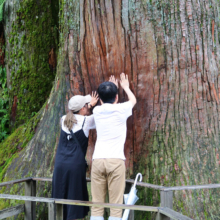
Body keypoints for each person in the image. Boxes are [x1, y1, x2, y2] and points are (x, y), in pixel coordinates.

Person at [90, 73, 137, 220]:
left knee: (97, 206)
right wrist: (125, 88)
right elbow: (133, 100)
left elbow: (105, 105)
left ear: (100, 99)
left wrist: (112, 89)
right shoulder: (122, 109)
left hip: (98, 160)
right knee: (116, 208)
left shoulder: (97, 111)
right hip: (115, 161)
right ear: (117, 98)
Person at [52, 92, 99, 220]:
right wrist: (92, 106)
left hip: (60, 164)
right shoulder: (87, 121)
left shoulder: (63, 119)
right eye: (86, 105)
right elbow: (99, 118)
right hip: (75, 165)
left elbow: (75, 117)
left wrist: (88, 105)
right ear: (83, 108)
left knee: (62, 195)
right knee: (75, 197)